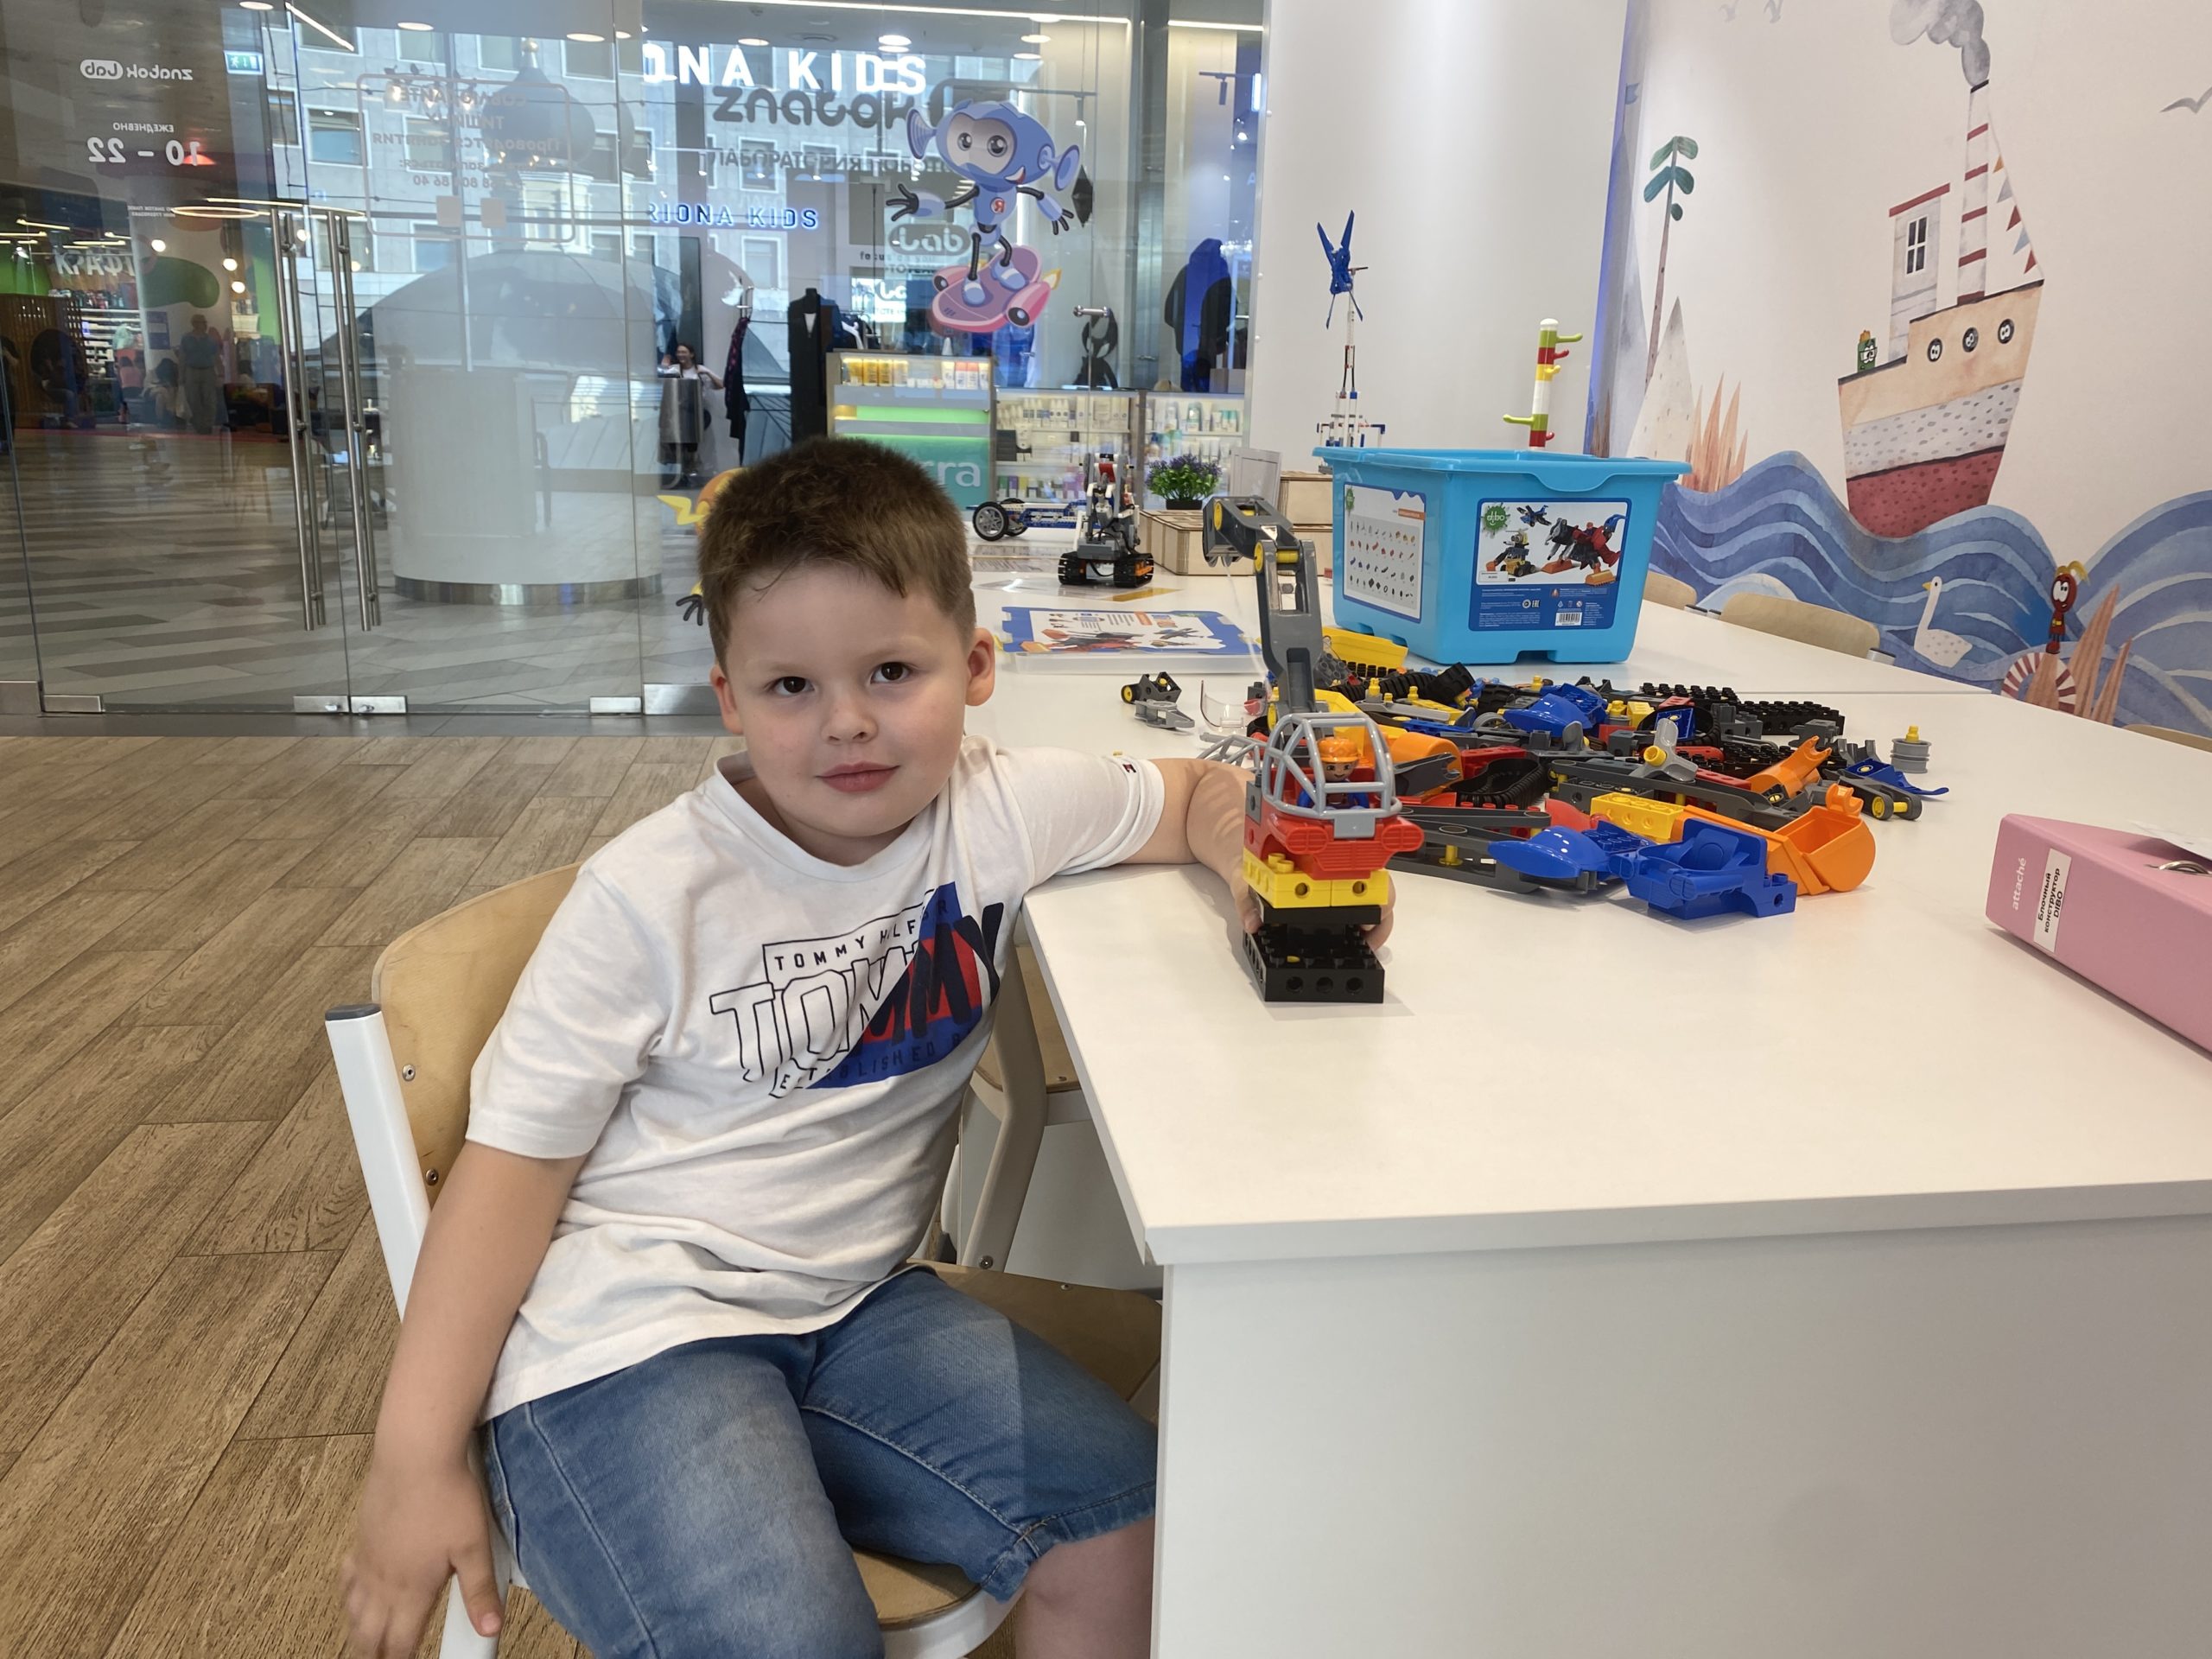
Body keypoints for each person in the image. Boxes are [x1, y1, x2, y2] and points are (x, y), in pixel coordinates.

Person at [342, 439, 1387, 1659]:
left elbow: (1196, 792)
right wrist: (411, 1458)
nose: (847, 723)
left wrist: (1277, 868)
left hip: (856, 1309)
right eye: (790, 687)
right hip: (627, 1339)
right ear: (730, 697)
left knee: (1129, 1523)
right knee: (791, 1636)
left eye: (891, 671)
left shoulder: (999, 809)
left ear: (976, 666)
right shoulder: (647, 899)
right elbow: (507, 1180)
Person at [657, 341, 722, 488]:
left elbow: (720, 385)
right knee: (676, 445)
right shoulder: (674, 369)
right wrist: (664, 368)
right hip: (676, 415)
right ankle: (680, 474)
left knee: (691, 445)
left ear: (691, 354)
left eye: (684, 352)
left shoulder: (699, 370)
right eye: (679, 352)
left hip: (695, 414)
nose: (681, 355)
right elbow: (663, 385)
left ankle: (689, 471)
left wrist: (707, 373)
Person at [177, 314, 225, 435]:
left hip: (208, 371)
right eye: (201, 322)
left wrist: (221, 374)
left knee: (210, 399)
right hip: (191, 370)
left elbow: (217, 358)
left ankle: (208, 424)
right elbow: (182, 357)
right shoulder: (186, 339)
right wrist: (181, 375)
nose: (204, 325)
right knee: (193, 399)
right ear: (194, 324)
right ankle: (198, 423)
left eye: (204, 322)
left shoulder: (211, 340)